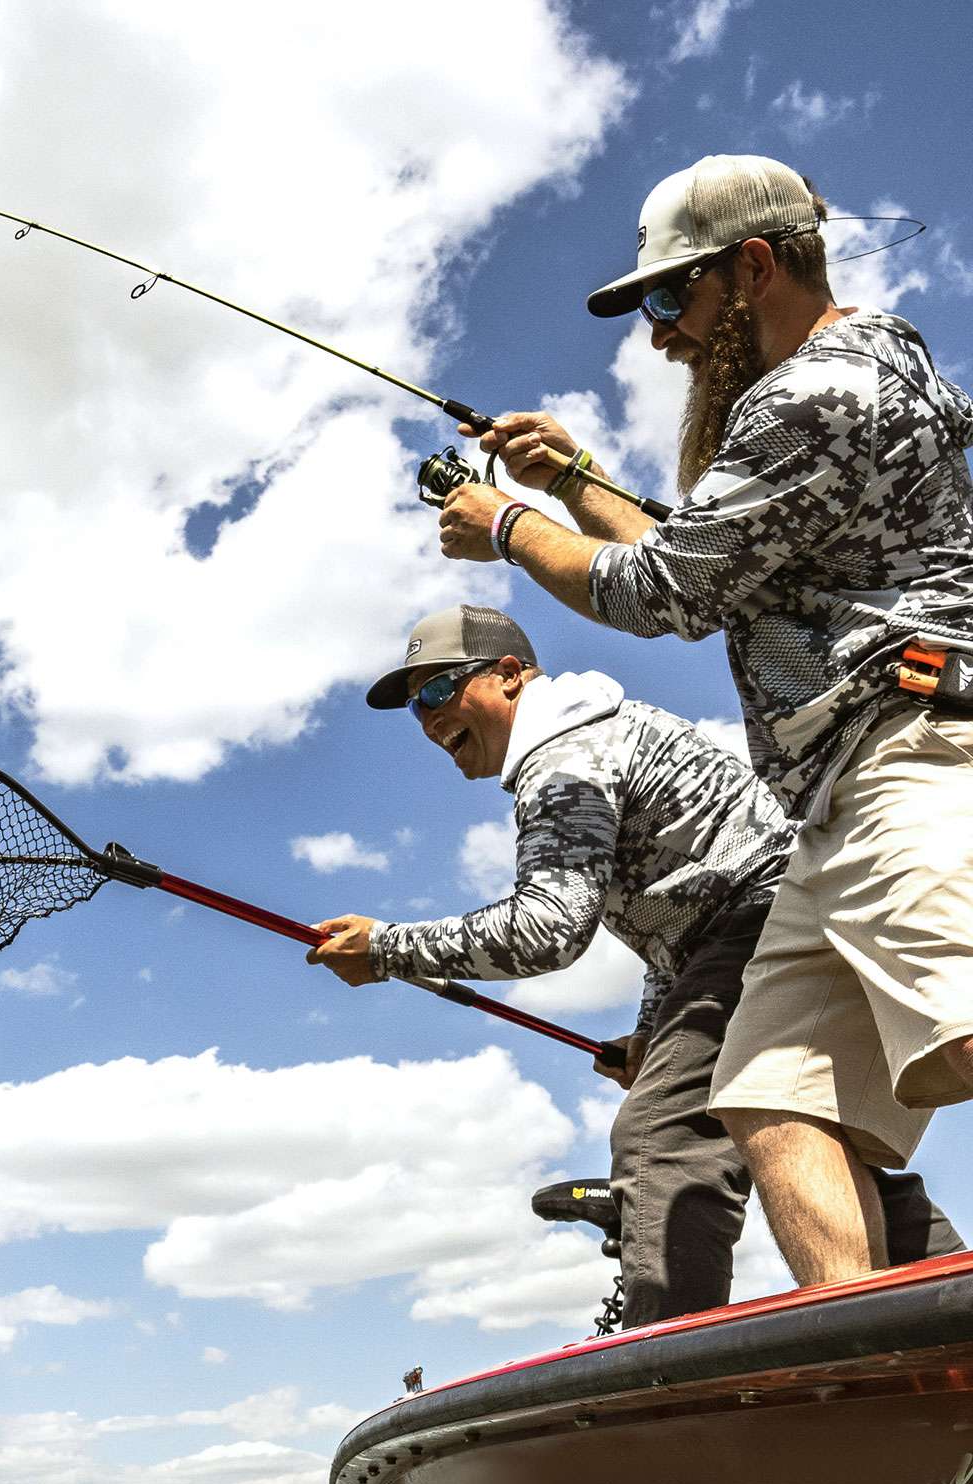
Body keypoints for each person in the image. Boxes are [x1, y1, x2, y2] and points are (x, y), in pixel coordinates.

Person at [432, 154, 973, 1288]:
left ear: (754, 267)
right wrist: (572, 478)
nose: (661, 332)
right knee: (769, 1096)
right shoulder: (830, 391)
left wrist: (508, 527)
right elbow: (709, 563)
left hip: (914, 749)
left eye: (674, 295)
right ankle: (877, 1355)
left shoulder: (819, 391)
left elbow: (661, 593)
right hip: (831, 805)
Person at [308, 603, 960, 1327]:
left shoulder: (564, 759)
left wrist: (387, 948)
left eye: (439, 689)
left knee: (662, 1139)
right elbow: (678, 915)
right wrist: (653, 1029)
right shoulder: (596, 731)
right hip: (796, 913)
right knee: (809, 1143)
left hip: (759, 925)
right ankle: (947, 1319)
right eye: (414, 707)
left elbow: (548, 930)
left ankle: (665, 1366)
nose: (429, 718)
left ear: (510, 675)